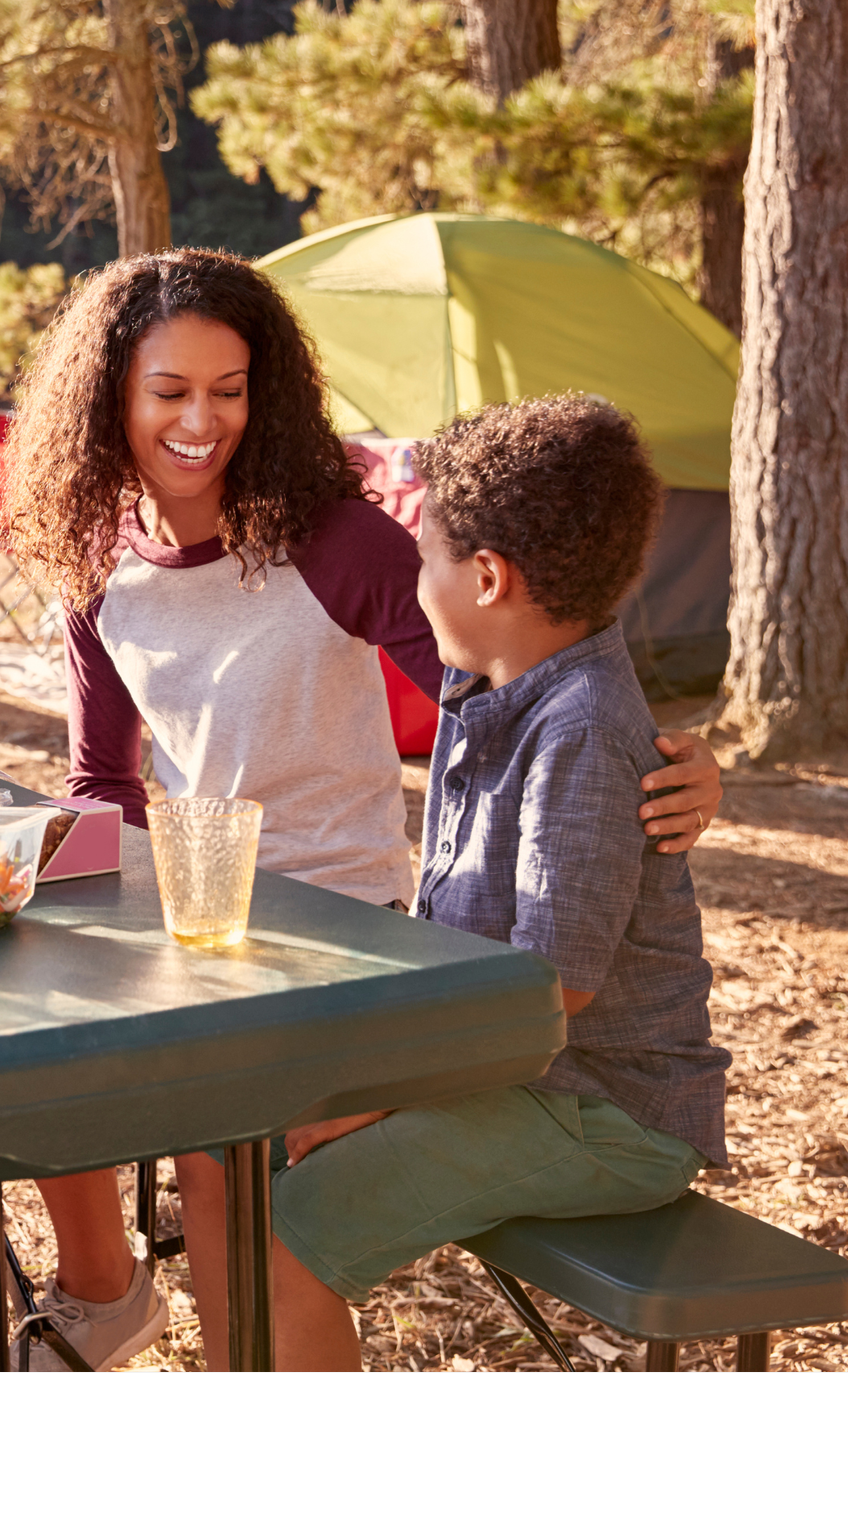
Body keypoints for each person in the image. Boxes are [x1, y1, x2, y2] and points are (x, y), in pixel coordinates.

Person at [0, 250, 723, 1374]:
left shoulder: (336, 541)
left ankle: (218, 1335)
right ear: (109, 399)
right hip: (196, 916)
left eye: (229, 389)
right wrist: (14, 865)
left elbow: (514, 671)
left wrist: (676, 766)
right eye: (170, 390)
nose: (202, 420)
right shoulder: (96, 562)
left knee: (224, 1162)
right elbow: (106, 784)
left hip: (340, 926)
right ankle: (78, 1301)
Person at [264, 393, 734, 1368]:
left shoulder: (580, 729)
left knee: (290, 1234)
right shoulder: (491, 685)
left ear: (486, 577)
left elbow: (552, 986)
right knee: (264, 1137)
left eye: (423, 557)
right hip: (525, 1078)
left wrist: (380, 1097)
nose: (414, 579)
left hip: (601, 1112)